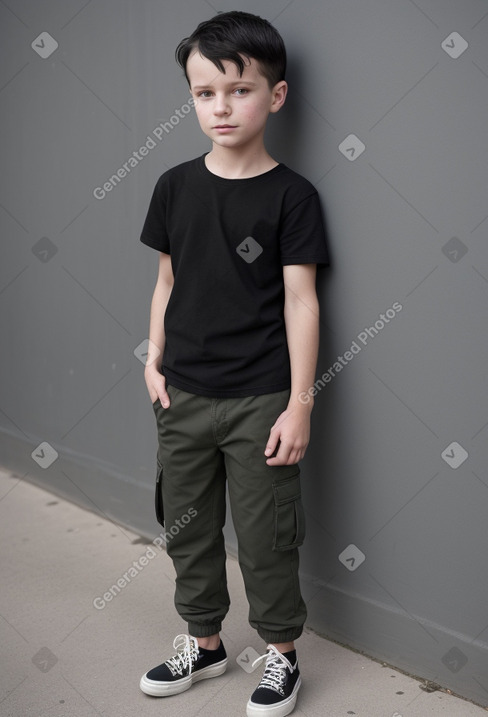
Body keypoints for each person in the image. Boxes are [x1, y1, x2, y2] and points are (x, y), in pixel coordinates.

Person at [138, 10, 329, 717]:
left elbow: (301, 303)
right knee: (186, 526)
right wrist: (154, 361)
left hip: (259, 400)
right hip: (180, 394)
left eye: (239, 90)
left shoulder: (292, 196)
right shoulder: (173, 185)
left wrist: (300, 402)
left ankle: (281, 655)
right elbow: (167, 282)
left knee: (266, 536)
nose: (220, 106)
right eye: (204, 92)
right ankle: (206, 640)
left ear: (275, 96)